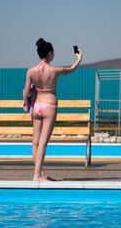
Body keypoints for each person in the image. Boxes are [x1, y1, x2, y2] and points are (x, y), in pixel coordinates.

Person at [23, 38, 83, 181]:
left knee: (35, 142)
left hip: (37, 106)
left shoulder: (31, 71)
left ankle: (39, 172)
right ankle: (37, 175)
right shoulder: (55, 70)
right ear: (49, 53)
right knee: (43, 142)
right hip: (49, 106)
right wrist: (79, 58)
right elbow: (71, 69)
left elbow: (27, 93)